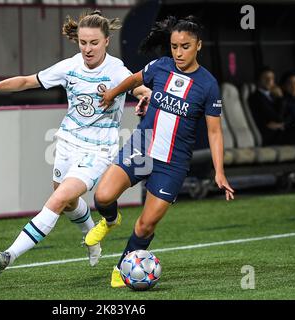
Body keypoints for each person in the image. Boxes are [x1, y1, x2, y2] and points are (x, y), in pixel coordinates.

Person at [0, 11, 151, 273]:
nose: (88, 49)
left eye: (94, 43)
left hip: (98, 150)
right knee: (67, 202)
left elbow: (139, 87)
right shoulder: (69, 66)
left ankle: (8, 255)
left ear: (107, 41)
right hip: (67, 142)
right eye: (83, 42)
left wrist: (147, 95)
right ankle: (92, 236)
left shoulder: (116, 70)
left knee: (58, 198)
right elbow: (28, 81)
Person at [83, 15, 235, 288]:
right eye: (175, 46)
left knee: (145, 226)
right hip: (142, 149)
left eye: (185, 46)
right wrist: (112, 94)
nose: (178, 52)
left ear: (198, 46)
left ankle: (123, 267)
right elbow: (134, 79)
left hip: (172, 164)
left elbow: (215, 132)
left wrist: (219, 172)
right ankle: (110, 219)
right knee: (103, 196)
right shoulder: (161, 67)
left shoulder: (208, 85)